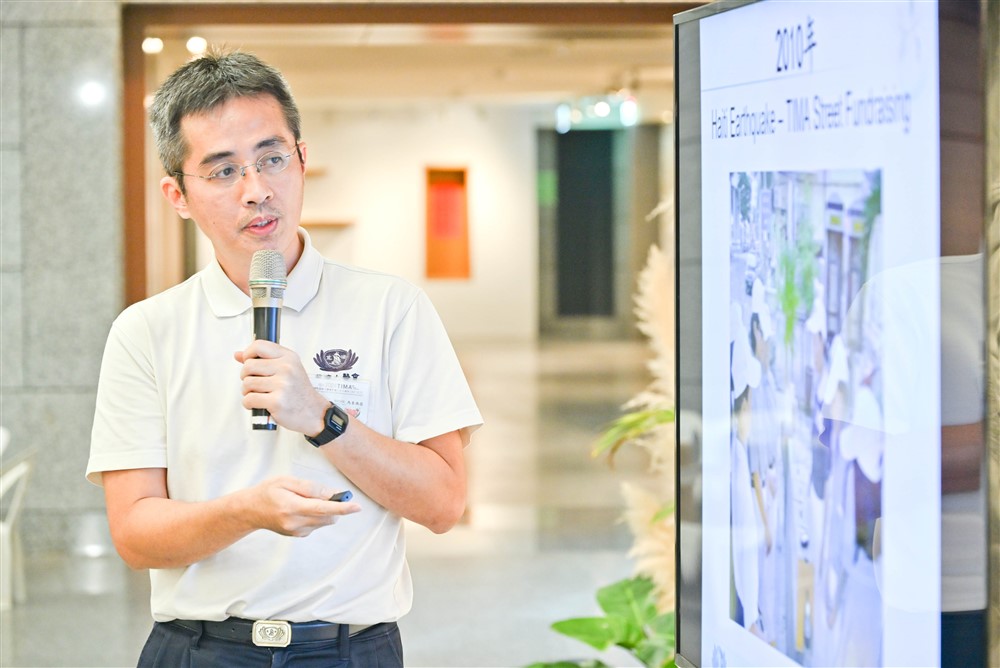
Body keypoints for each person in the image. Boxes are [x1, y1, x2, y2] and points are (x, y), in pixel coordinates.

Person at [86, 49, 483, 667]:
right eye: (223, 171)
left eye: (272, 158)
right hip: (198, 649)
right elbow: (135, 535)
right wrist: (246, 512)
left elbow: (443, 504)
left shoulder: (392, 308)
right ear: (177, 195)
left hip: (350, 650)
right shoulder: (146, 331)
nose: (257, 191)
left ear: (301, 159)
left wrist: (322, 417)